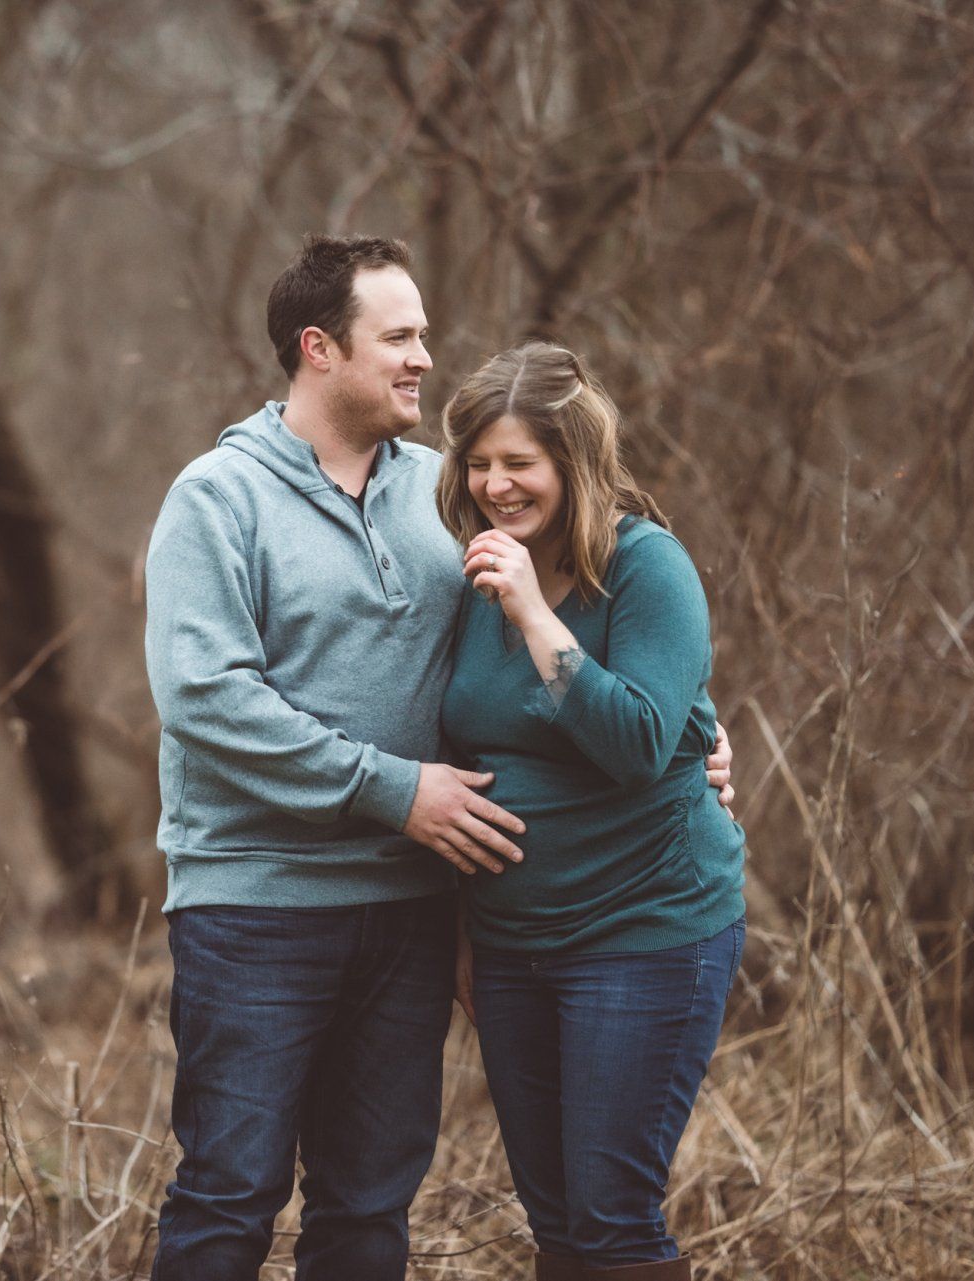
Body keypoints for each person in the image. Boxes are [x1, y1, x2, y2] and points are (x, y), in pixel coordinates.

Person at [143, 236, 733, 1280]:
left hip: (411, 907)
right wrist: (395, 791)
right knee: (230, 1195)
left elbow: (569, 625)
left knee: (370, 1207)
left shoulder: (443, 495)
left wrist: (692, 729)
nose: (425, 358)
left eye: (425, 334)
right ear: (319, 348)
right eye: (400, 336)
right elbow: (207, 698)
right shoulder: (216, 498)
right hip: (260, 906)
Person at [438, 341, 747, 1280]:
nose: (496, 485)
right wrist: (463, 935)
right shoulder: (475, 573)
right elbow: (459, 745)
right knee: (559, 1226)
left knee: (612, 1220)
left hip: (644, 931)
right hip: (513, 948)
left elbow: (641, 742)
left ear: (573, 463)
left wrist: (537, 616)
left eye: (519, 464)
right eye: (480, 463)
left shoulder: (649, 569)